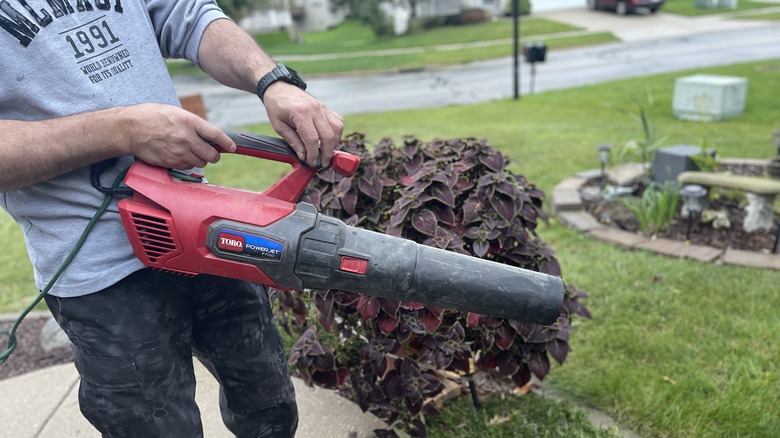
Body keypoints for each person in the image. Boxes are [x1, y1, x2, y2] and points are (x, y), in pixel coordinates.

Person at [0, 1, 343, 437]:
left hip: (201, 227)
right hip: (101, 273)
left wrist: (272, 80)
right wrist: (121, 130)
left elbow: (185, 14)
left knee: (269, 405)